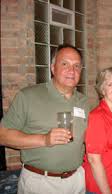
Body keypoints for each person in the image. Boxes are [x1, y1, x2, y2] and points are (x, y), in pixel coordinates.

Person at [0, 44, 87, 194]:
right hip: (41, 183)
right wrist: (44, 140)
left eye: (77, 66)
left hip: (77, 180)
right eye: (65, 64)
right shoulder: (28, 96)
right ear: (53, 67)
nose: (72, 71)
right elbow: (3, 135)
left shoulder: (84, 101)